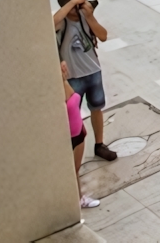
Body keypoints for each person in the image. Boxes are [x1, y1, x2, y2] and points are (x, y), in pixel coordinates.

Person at [53, 0, 118, 165]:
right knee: (73, 114)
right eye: (73, 7)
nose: (77, 9)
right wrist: (74, 1)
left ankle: (99, 144)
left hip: (93, 71)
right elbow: (51, 22)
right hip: (74, 77)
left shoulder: (85, 18)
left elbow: (103, 36)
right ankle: (72, 148)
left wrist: (89, 16)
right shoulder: (61, 23)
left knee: (97, 107)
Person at [62, 62, 99, 209]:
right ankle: (73, 203)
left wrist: (63, 79)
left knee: (75, 171)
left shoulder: (63, 83)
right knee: (71, 172)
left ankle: (79, 198)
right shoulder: (52, 90)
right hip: (68, 137)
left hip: (78, 133)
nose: (64, 67)